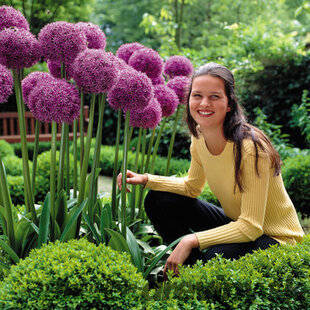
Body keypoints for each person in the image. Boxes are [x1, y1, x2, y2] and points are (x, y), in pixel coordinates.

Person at [117, 62, 305, 277]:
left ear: (229, 104)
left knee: (213, 257)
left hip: (275, 237)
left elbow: (252, 226)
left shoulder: (250, 148)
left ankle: (193, 271)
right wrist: (146, 179)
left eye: (214, 96)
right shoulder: (199, 136)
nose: (204, 103)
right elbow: (192, 187)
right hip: (239, 223)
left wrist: (191, 240)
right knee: (158, 200)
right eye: (197, 95)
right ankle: (188, 271)